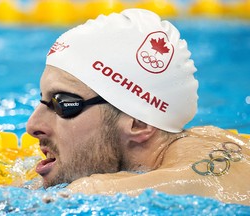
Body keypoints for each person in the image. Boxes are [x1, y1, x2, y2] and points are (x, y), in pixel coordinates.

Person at [26, 9, 250, 205]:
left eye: (64, 104)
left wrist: (91, 190)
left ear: (139, 122)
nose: (32, 125)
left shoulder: (106, 191)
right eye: (43, 100)